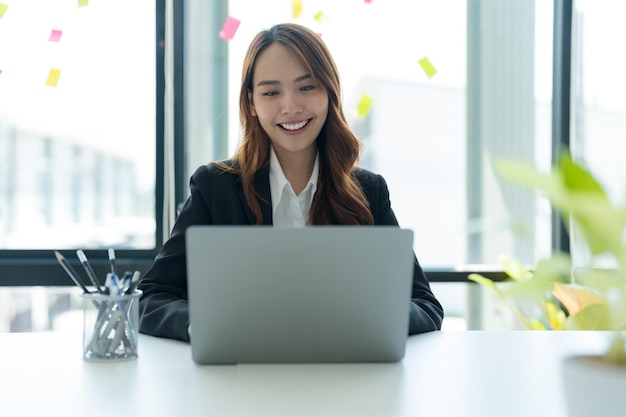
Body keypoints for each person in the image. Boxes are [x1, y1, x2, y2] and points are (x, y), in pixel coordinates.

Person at [138, 22, 444, 342]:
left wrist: (368, 318)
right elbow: (151, 298)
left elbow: (425, 305)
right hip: (243, 376)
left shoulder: (368, 191)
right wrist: (205, 324)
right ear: (252, 104)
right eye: (271, 92)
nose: (291, 107)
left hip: (343, 376)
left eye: (307, 87)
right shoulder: (215, 187)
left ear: (329, 92)